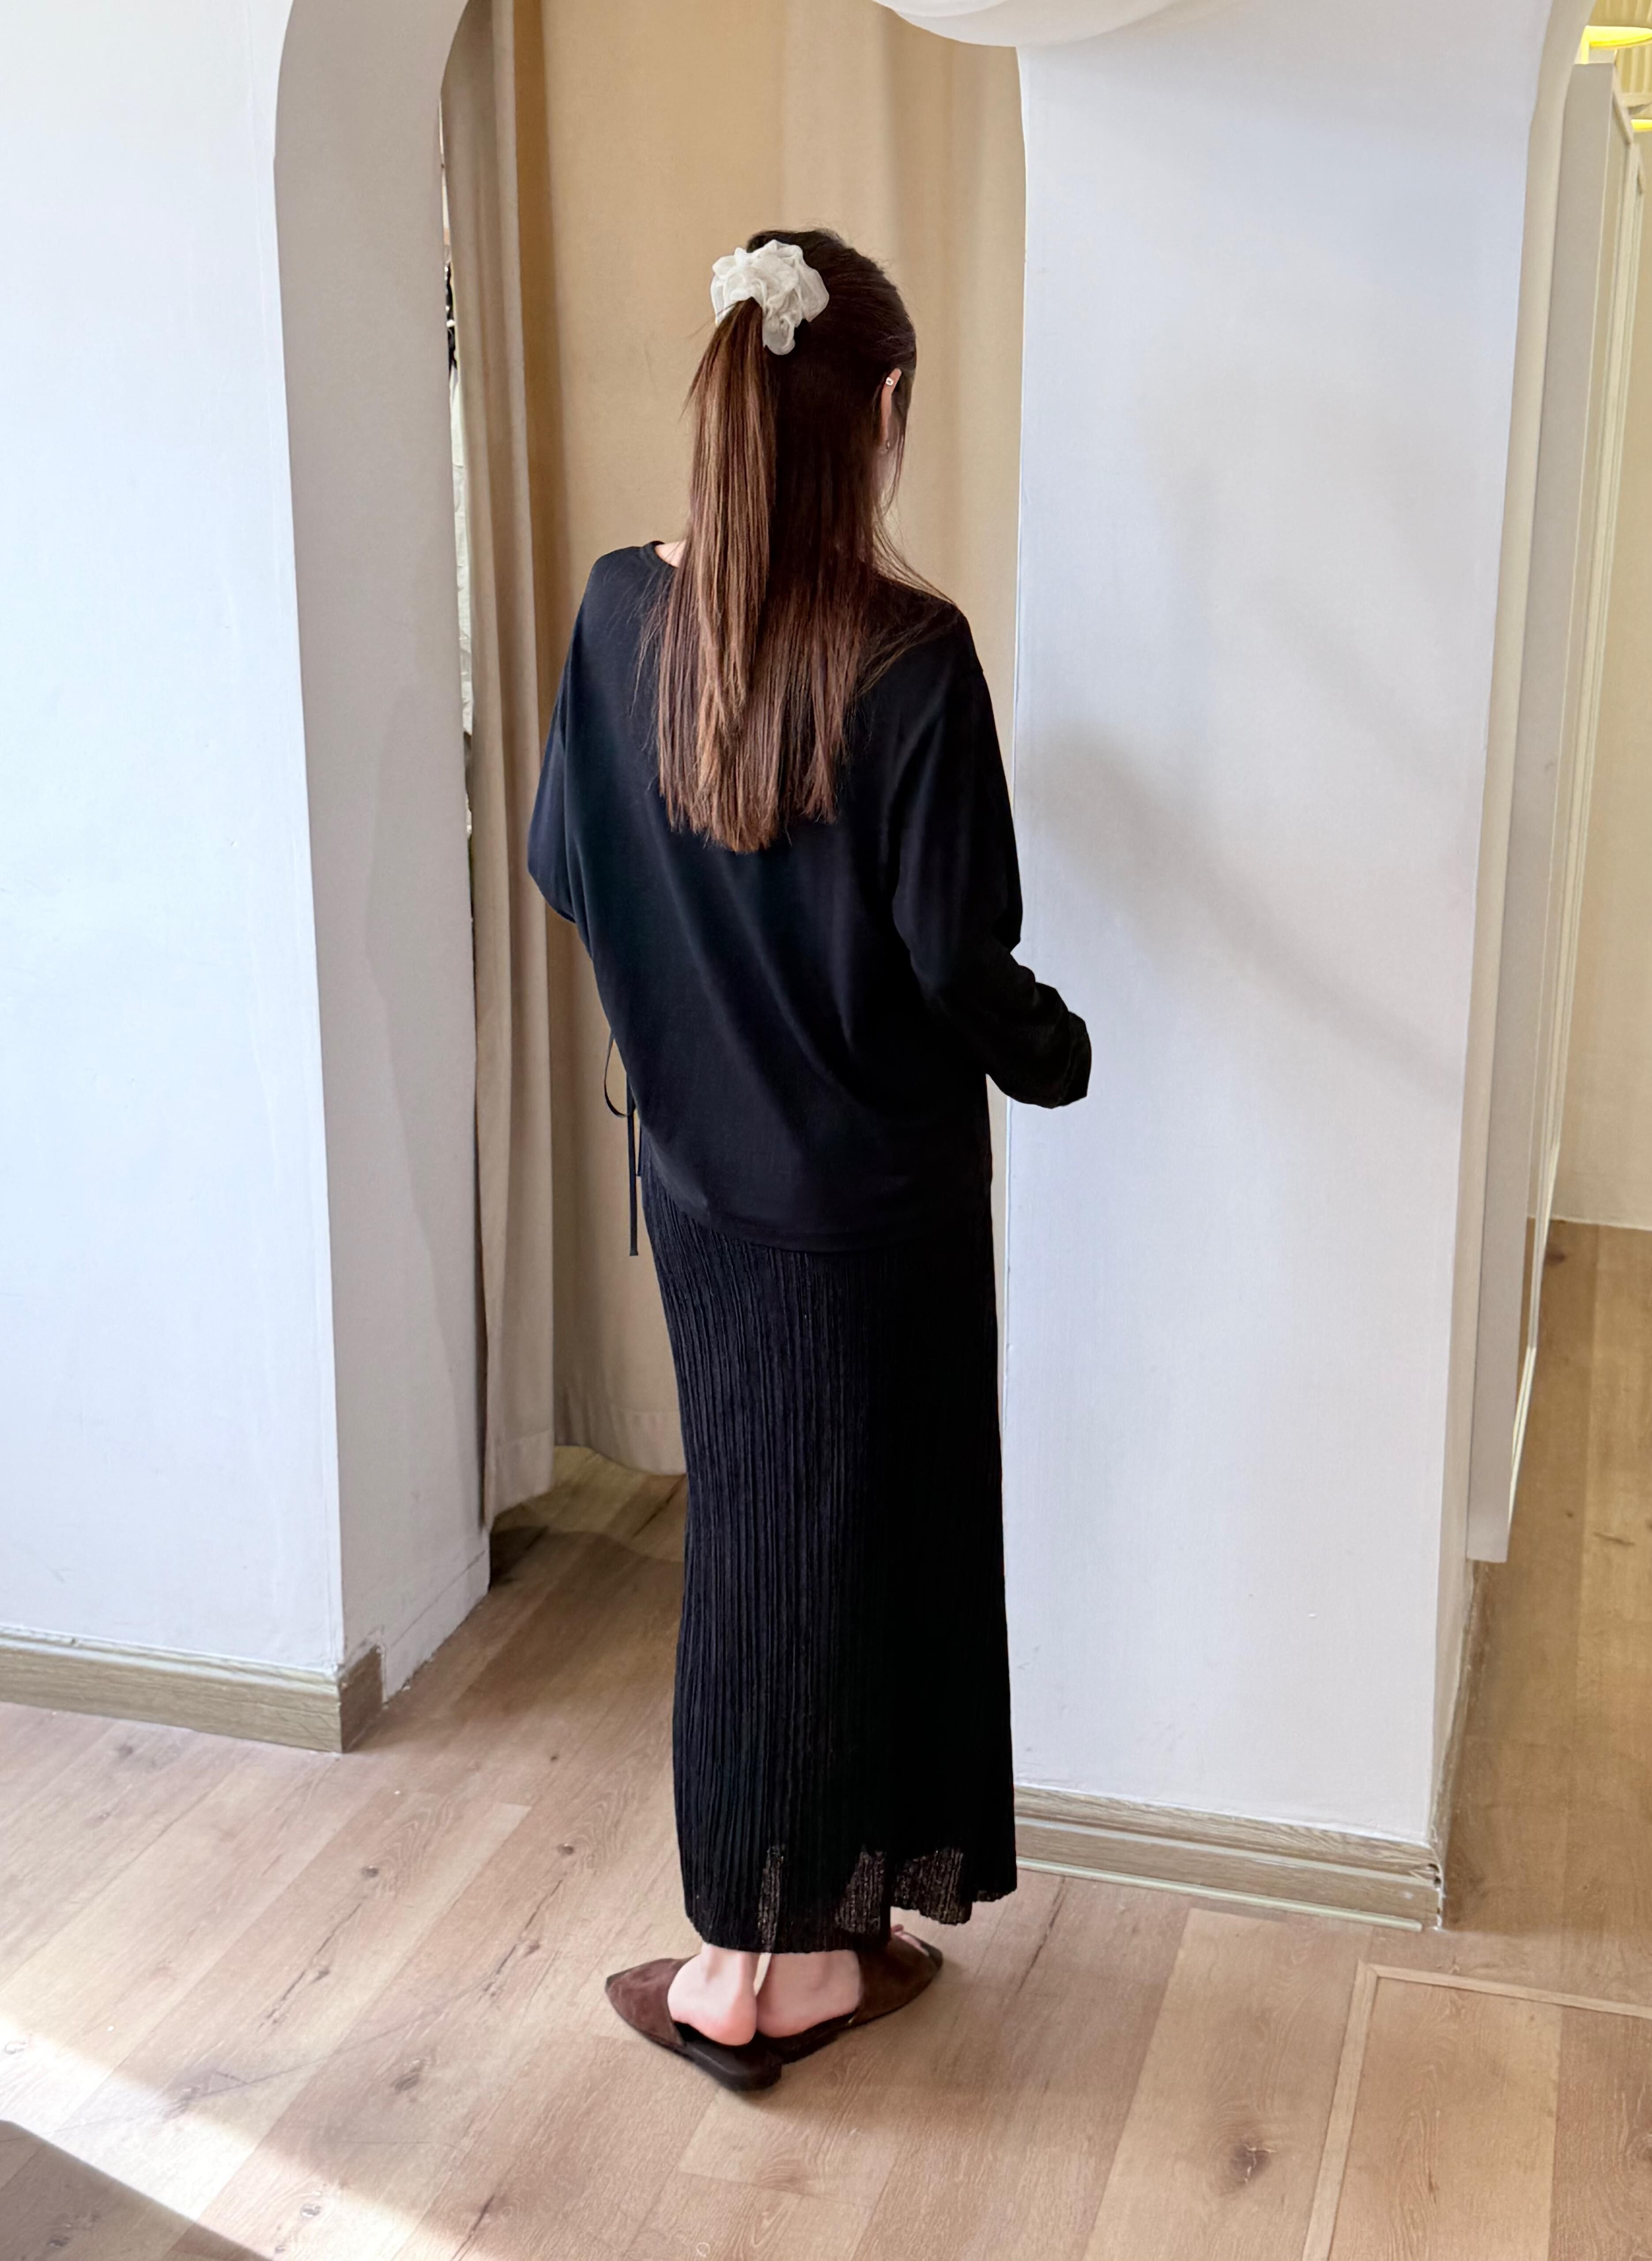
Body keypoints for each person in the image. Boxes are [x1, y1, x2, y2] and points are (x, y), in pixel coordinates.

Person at [528, 228, 1089, 2093]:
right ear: (884, 410)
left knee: (762, 1555)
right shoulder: (913, 661)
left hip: (702, 1194)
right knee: (849, 1559)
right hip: (874, 1213)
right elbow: (956, 961)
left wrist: (698, 1012)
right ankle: (749, 1971)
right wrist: (1060, 1054)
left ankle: (782, 1941)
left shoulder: (620, 610)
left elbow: (566, 865)